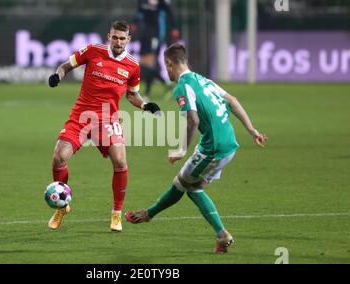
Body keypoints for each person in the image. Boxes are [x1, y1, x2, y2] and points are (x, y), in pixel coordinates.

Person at [125, 43, 268, 253]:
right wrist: (251, 129)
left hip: (214, 148)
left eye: (166, 67)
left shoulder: (183, 87)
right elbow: (233, 100)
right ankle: (150, 214)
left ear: (169, 63)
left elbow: (192, 118)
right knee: (184, 182)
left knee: (191, 186)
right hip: (226, 142)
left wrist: (182, 149)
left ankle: (221, 234)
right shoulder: (204, 80)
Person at [47, 20, 161, 232]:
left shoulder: (132, 66)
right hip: (81, 115)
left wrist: (145, 105)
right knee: (59, 157)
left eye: (122, 38)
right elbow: (66, 66)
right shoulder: (92, 51)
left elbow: (132, 95)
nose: (118, 41)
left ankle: (116, 214)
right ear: (109, 36)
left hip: (108, 120)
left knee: (120, 161)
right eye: (115, 37)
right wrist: (57, 76)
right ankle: (62, 206)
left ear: (128, 39)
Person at [132, 0, 180, 100]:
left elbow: (170, 14)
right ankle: (166, 84)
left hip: (156, 35)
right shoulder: (142, 1)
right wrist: (134, 23)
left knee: (150, 63)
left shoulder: (161, 2)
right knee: (144, 64)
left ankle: (147, 94)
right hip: (144, 35)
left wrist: (174, 28)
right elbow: (139, 12)